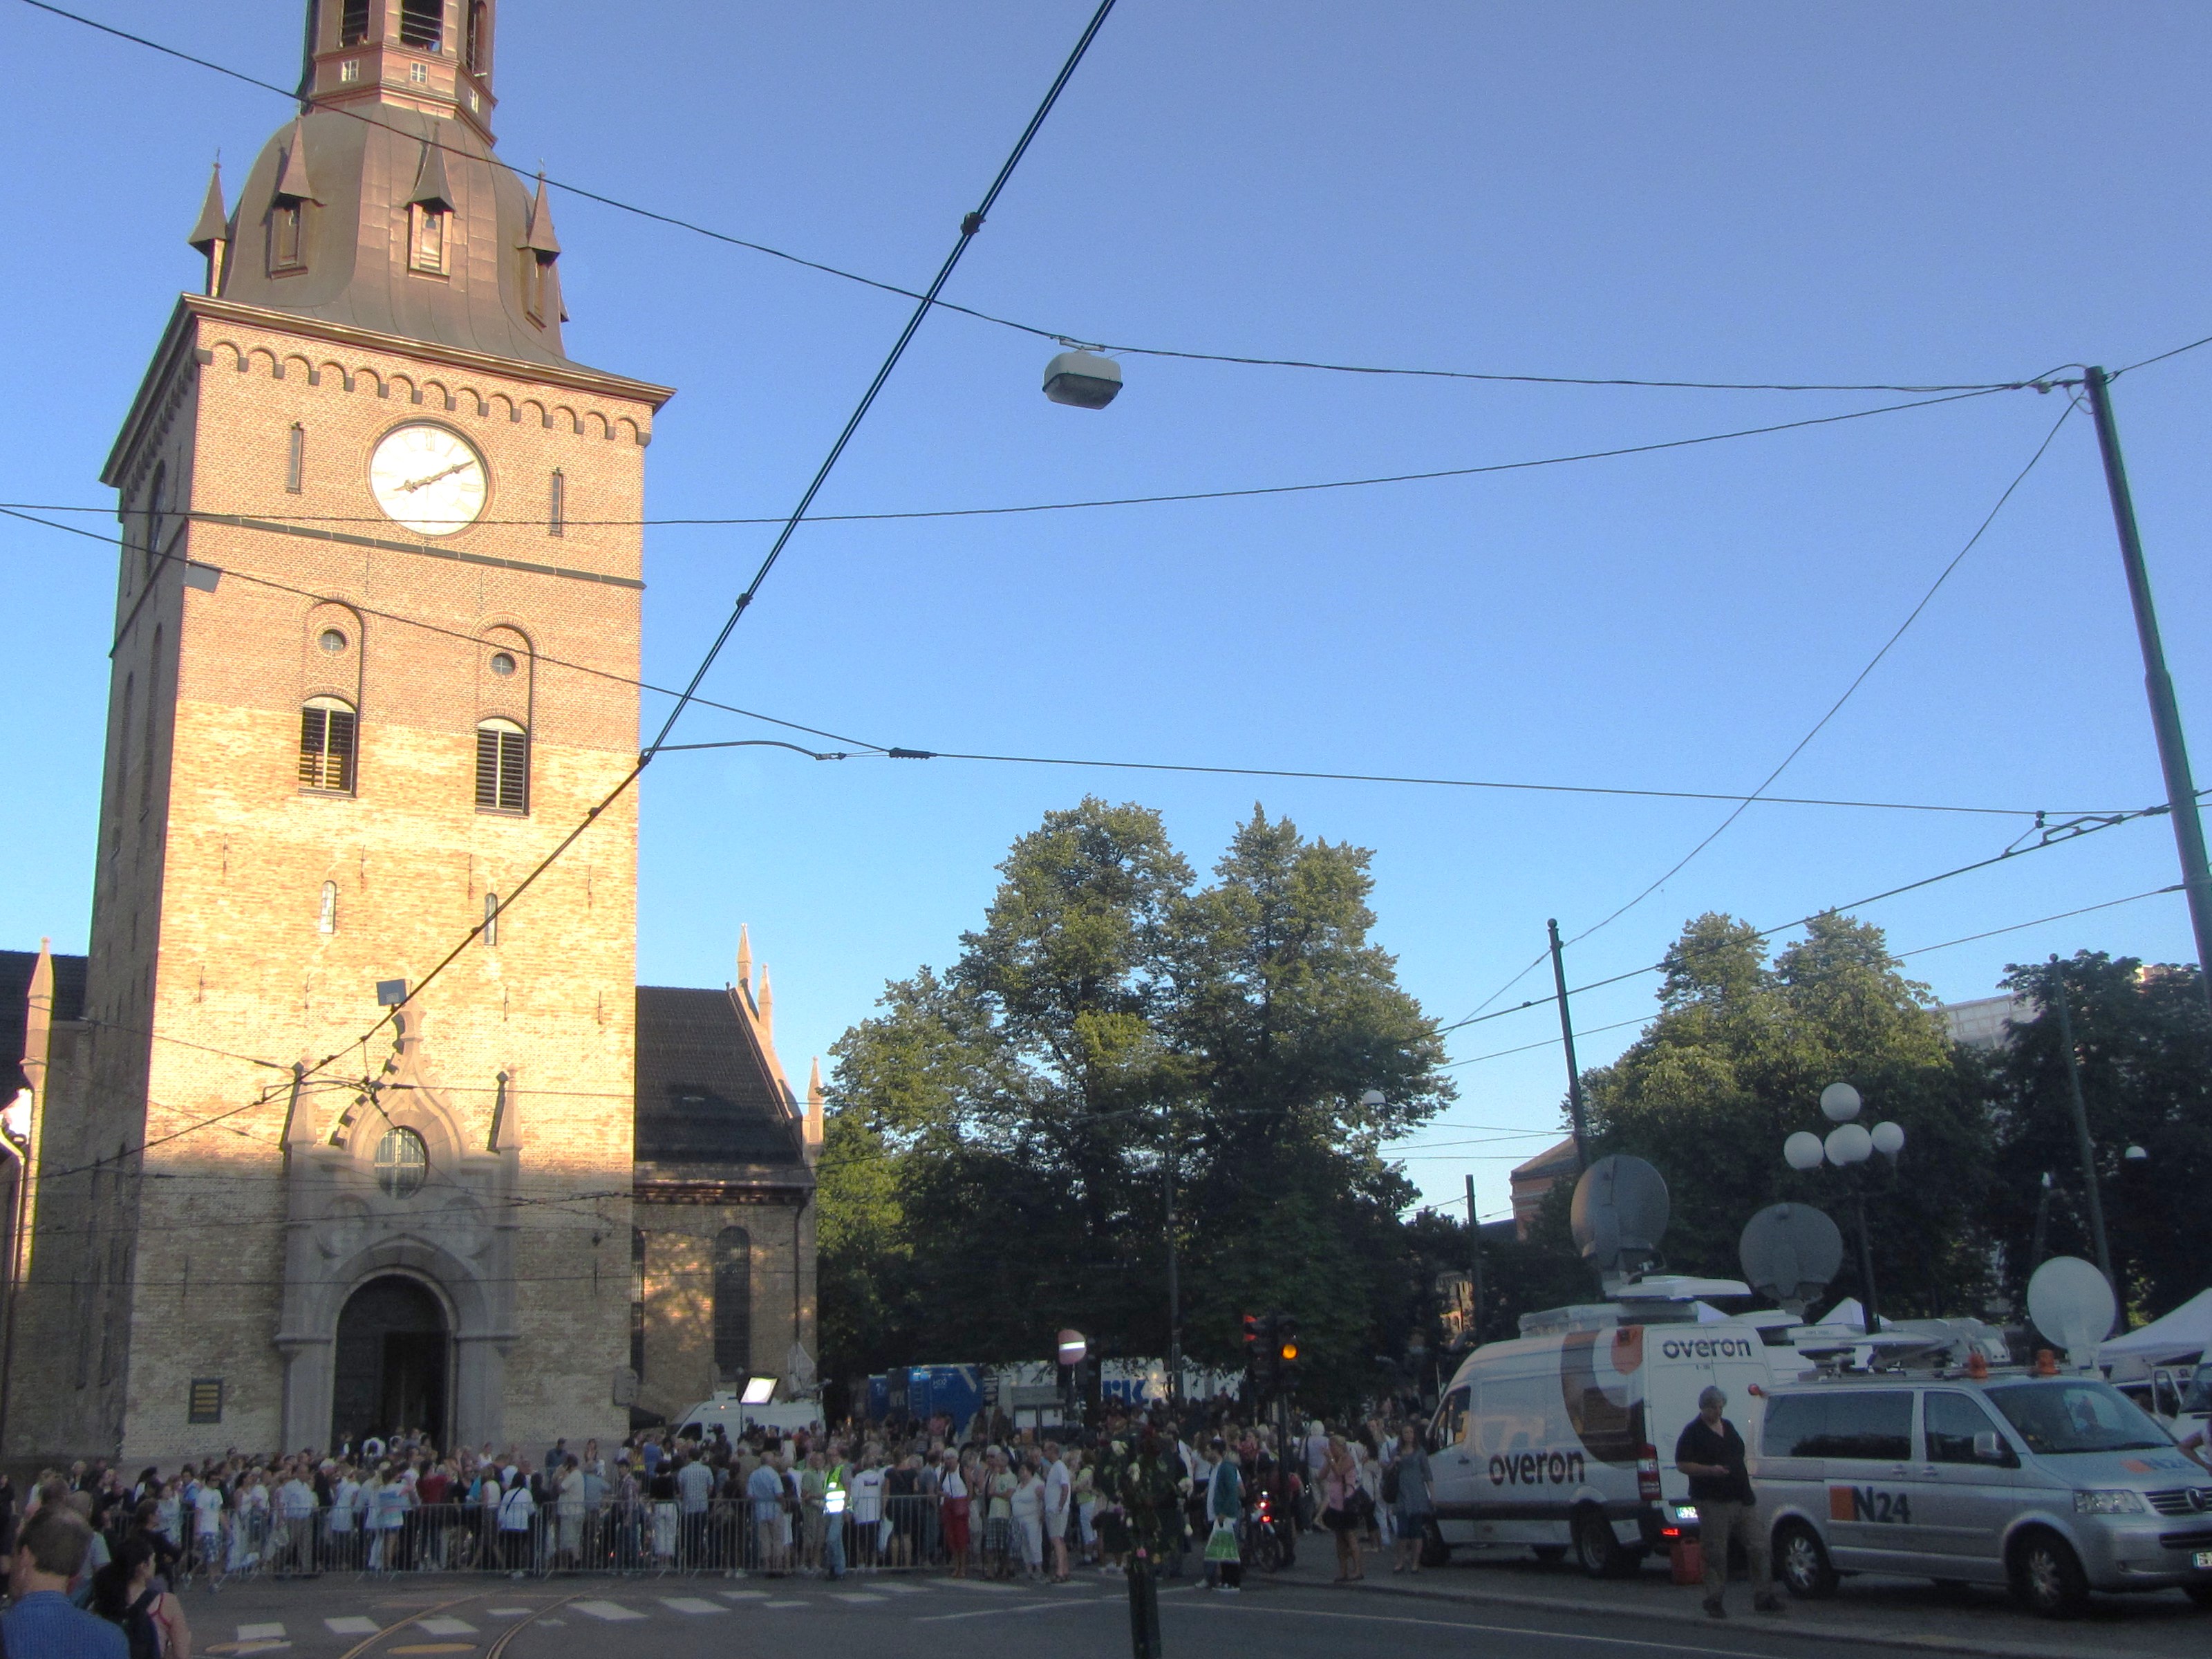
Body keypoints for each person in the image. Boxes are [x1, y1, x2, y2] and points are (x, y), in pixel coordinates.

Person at [1674, 1385, 1779, 1618]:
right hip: (1713, 1501)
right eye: (1714, 1408)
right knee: (1716, 1551)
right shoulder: (1693, 1432)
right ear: (1704, 1408)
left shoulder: (1728, 1427)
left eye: (1721, 1407)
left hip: (1742, 1497)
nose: (1718, 1412)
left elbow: (1739, 1452)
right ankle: (1714, 1599)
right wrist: (1710, 1470)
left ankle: (1764, 1596)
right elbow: (1682, 1464)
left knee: (1759, 1546)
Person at [6, 1508, 129, 1659]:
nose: (10, 1566)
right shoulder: (112, 1639)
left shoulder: (7, 1628)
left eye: (13, 1555)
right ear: (76, 1571)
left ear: (25, 1555)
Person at [91, 1539, 189, 1659]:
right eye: (153, 1560)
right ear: (143, 1566)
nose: (155, 1565)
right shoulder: (165, 1602)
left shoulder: (103, 1600)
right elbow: (181, 1655)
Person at [1387, 1423, 1433, 1575]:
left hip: (1417, 1493)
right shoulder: (1396, 1451)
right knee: (1402, 1531)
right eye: (1406, 1432)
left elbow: (1427, 1473)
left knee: (1416, 1531)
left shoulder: (1420, 1452)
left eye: (1411, 1432)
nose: (1408, 1435)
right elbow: (1388, 1471)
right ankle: (1400, 1561)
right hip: (1402, 1492)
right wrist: (1394, 1462)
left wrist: (1432, 1495)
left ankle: (1415, 1562)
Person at [1320, 1436, 1362, 1583]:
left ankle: (1357, 1569)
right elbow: (1321, 1476)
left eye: (1333, 1446)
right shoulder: (1331, 1460)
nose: (1331, 1449)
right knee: (1339, 1537)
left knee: (1350, 1535)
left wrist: (1331, 1459)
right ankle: (1343, 1570)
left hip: (1347, 1502)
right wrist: (1328, 1461)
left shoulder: (1348, 1459)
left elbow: (1339, 1472)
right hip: (1335, 1503)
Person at [1203, 1438, 1242, 1591]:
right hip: (1217, 1515)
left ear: (1216, 1452)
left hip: (1226, 1516)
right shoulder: (1214, 1469)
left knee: (1229, 1549)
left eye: (1209, 1450)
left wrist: (1224, 1512)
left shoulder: (1226, 1468)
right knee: (1223, 1550)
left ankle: (1233, 1582)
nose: (1207, 1453)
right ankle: (1226, 1580)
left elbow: (1232, 1491)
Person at [1042, 1442, 1073, 1583]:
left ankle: (1060, 1571)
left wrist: (1060, 1505)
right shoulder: (1055, 1467)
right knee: (1060, 1539)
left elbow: (1065, 1487)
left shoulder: (1059, 1467)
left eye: (1045, 1450)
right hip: (1053, 1508)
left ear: (1052, 1451)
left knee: (1056, 1539)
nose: (1044, 1453)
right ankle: (1065, 1570)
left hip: (1057, 1509)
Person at [937, 1450, 971, 1580]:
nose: (949, 1461)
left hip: (961, 1505)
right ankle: (956, 1565)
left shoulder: (963, 1471)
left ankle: (963, 1567)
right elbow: (938, 1489)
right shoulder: (944, 1473)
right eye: (947, 1459)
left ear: (957, 1459)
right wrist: (943, 1494)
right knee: (951, 1537)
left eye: (951, 1458)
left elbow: (970, 1489)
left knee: (961, 1537)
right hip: (949, 1505)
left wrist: (966, 1504)